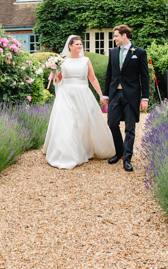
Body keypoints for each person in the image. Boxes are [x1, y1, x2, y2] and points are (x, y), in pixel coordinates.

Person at [42, 35, 115, 169]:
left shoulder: (86, 60)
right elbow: (58, 81)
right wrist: (55, 71)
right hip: (66, 94)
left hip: (82, 93)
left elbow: (92, 79)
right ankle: (68, 154)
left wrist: (101, 95)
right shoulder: (62, 61)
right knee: (68, 122)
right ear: (70, 46)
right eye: (77, 44)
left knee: (84, 122)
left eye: (81, 44)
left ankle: (85, 149)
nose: (80, 46)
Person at [101, 25, 150, 172]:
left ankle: (127, 159)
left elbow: (145, 77)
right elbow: (109, 74)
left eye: (116, 36)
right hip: (115, 93)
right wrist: (105, 95)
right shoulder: (113, 52)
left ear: (124, 35)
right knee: (112, 123)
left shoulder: (139, 52)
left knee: (130, 127)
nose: (114, 38)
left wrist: (145, 98)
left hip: (131, 95)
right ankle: (120, 151)